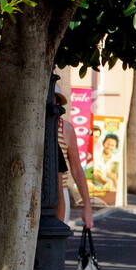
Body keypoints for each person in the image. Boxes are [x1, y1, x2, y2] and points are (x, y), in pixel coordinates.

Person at [55, 93, 94, 230]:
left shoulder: (66, 129)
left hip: (59, 193)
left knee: (56, 240)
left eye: (54, 98)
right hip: (32, 192)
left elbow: (76, 169)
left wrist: (87, 207)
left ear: (58, 102)